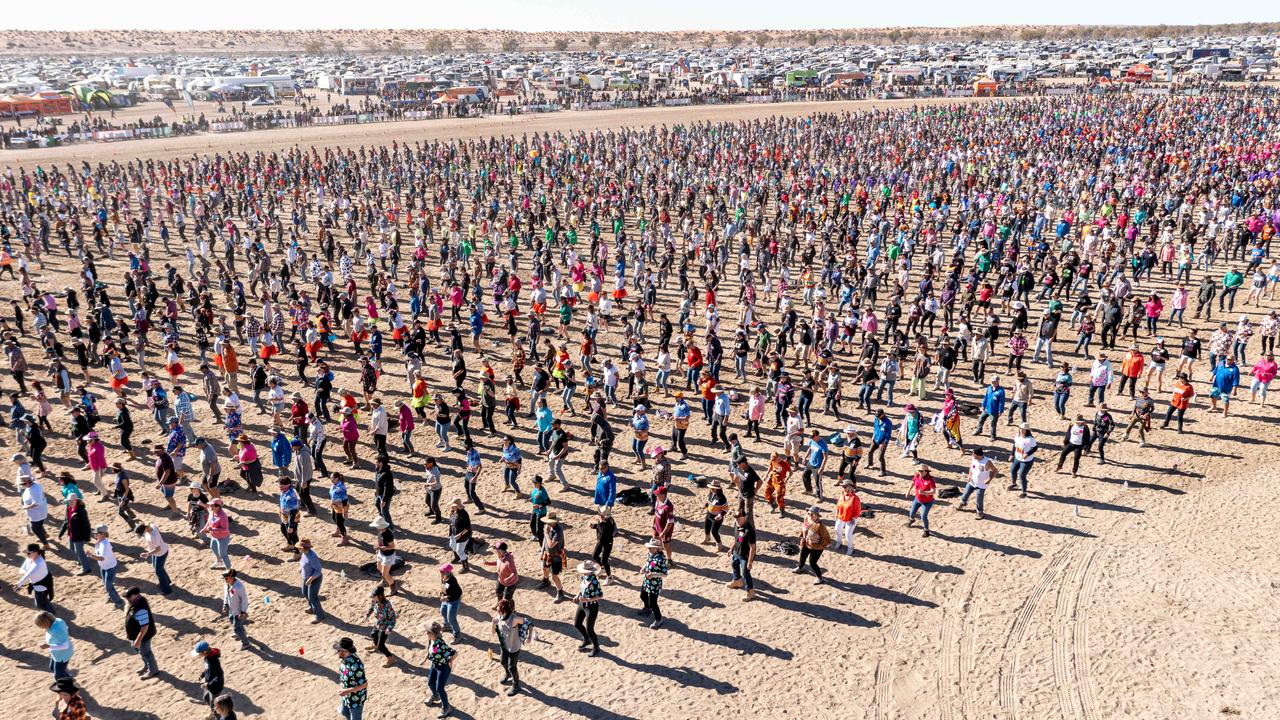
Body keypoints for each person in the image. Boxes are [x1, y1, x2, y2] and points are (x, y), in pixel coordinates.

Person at [492, 598, 526, 696]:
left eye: (499, 609)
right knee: (502, 661)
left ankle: (516, 685)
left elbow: (526, 622)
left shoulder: (514, 618)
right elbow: (493, 632)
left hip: (514, 646)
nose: (497, 611)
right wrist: (493, 623)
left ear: (504, 610)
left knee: (512, 667)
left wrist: (524, 636)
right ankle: (507, 674)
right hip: (504, 645)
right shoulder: (499, 617)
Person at [124, 586, 159, 679]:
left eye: (128, 596)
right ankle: (147, 665)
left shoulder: (141, 608)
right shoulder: (135, 602)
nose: (126, 598)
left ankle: (153, 670)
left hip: (144, 636)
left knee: (146, 652)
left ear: (135, 595)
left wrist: (138, 640)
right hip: (136, 635)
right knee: (140, 651)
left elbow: (144, 627)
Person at [424, 622, 457, 717]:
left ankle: (447, 707)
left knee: (440, 688)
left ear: (434, 634)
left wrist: (450, 661)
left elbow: (455, 653)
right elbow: (430, 650)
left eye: (428, 632)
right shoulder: (431, 640)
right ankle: (435, 696)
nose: (427, 633)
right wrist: (425, 659)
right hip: (435, 664)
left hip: (443, 668)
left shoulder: (440, 645)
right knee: (430, 683)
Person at [86, 524, 123, 607]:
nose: (95, 534)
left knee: (108, 587)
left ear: (102, 534)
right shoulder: (99, 542)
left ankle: (119, 602)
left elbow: (102, 558)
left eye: (97, 533)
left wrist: (91, 556)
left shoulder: (105, 545)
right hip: (104, 567)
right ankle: (111, 596)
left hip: (110, 568)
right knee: (107, 585)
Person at [573, 560, 604, 656]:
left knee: (590, 629)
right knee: (577, 624)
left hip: (591, 607)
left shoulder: (595, 582)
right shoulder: (584, 577)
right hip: (582, 604)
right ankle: (587, 639)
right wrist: (578, 595)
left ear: (590, 571)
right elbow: (582, 588)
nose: (582, 572)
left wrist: (587, 600)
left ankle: (596, 647)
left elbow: (600, 596)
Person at [333, 637, 369, 720]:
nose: (337, 652)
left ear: (345, 651)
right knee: (344, 711)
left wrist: (347, 690)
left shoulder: (356, 666)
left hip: (356, 698)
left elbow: (364, 685)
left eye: (338, 650)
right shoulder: (345, 658)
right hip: (346, 694)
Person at [959, 448, 1000, 519]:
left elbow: (995, 470)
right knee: (965, 493)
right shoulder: (974, 458)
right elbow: (971, 467)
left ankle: (980, 512)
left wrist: (989, 480)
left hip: (981, 484)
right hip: (972, 481)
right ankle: (963, 503)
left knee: (979, 499)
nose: (972, 455)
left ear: (977, 455)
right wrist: (969, 475)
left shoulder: (987, 462)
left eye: (973, 454)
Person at [638, 539, 670, 629]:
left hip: (655, 584)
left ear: (656, 548)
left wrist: (653, 574)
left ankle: (659, 620)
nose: (649, 548)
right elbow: (648, 562)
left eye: (651, 547)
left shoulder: (661, 559)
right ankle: (647, 608)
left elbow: (665, 574)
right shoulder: (651, 554)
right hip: (647, 581)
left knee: (653, 603)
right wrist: (643, 568)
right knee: (642, 596)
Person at [794, 505, 831, 583]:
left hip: (817, 548)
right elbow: (804, 528)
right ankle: (800, 567)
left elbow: (827, 539)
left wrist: (818, 541)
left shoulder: (820, 526)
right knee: (802, 556)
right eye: (809, 513)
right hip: (806, 543)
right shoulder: (807, 519)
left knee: (812, 563)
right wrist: (804, 537)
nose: (810, 515)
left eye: (812, 514)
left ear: (817, 515)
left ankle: (819, 578)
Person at [136, 522, 174, 595]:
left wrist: (147, 554)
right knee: (157, 567)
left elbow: (158, 549)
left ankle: (167, 590)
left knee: (158, 571)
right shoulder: (151, 527)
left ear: (145, 529)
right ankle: (167, 581)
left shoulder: (154, 536)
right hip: (156, 552)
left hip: (161, 554)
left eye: (142, 533)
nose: (142, 535)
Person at [365, 585, 398, 667]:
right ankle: (375, 645)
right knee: (373, 634)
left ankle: (390, 658)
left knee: (381, 646)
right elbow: (372, 608)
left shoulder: (387, 605)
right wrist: (367, 614)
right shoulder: (375, 601)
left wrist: (389, 628)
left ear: (380, 596)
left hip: (385, 627)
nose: (372, 598)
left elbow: (393, 618)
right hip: (377, 623)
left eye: (374, 596)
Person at [727, 510, 757, 600]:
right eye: (736, 518)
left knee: (745, 573)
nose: (737, 520)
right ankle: (737, 581)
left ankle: (750, 592)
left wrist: (750, 562)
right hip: (737, 551)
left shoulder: (749, 530)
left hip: (745, 556)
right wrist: (732, 548)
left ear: (744, 518)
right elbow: (738, 538)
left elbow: (752, 548)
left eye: (739, 519)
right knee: (734, 564)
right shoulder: (737, 525)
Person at [15, 543, 54, 611]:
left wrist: (18, 584)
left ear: (35, 552)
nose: (27, 555)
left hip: (41, 585)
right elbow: (26, 567)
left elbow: (28, 575)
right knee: (43, 599)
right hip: (39, 584)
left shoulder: (39, 564)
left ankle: (51, 614)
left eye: (29, 553)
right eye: (27, 553)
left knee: (39, 604)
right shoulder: (33, 557)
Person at [36, 611, 74, 680]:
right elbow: (66, 628)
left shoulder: (56, 630)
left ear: (45, 623)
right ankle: (69, 678)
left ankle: (70, 688)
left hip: (62, 655)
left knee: (58, 676)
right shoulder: (58, 620)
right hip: (57, 654)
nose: (41, 628)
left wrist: (48, 646)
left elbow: (65, 646)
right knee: (52, 667)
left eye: (40, 625)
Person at [192, 640, 225, 715]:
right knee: (206, 698)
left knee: (214, 704)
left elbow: (219, 675)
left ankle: (216, 715)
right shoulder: (207, 657)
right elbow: (207, 669)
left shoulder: (213, 661)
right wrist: (202, 675)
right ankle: (215, 710)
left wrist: (208, 684)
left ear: (204, 652)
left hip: (215, 686)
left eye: (199, 653)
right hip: (209, 684)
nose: (198, 655)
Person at [540, 512, 567, 599]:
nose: (547, 523)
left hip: (556, 556)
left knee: (554, 576)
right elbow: (545, 540)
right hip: (547, 554)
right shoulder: (548, 527)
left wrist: (546, 534)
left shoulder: (558, 531)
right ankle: (545, 581)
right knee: (545, 568)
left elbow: (551, 544)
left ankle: (560, 592)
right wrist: (542, 551)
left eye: (549, 522)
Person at [221, 569, 251, 650]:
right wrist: (225, 604)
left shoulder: (239, 587)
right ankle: (243, 632)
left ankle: (246, 643)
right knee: (231, 619)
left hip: (238, 611)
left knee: (236, 629)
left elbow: (244, 600)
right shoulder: (227, 584)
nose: (225, 579)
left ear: (232, 577)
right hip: (231, 609)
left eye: (226, 578)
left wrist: (243, 612)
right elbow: (226, 595)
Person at [906, 464, 936, 538]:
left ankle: (926, 530)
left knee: (923, 517)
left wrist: (925, 492)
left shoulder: (930, 479)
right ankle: (912, 520)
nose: (920, 472)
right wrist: (908, 491)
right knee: (911, 513)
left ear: (926, 471)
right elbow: (912, 482)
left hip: (927, 502)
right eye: (919, 470)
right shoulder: (917, 476)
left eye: (922, 471)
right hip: (918, 499)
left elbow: (933, 491)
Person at [298, 538, 325, 622]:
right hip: (306, 577)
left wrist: (311, 579)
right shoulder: (304, 553)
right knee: (304, 592)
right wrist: (301, 568)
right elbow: (303, 562)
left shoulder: (312, 557)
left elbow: (318, 570)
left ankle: (319, 615)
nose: (298, 549)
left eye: (299, 547)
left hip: (315, 578)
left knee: (313, 597)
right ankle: (312, 607)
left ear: (303, 548)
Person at [833, 481, 862, 554]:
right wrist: (837, 512)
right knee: (837, 530)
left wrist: (854, 518)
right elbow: (838, 505)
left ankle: (850, 547)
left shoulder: (855, 498)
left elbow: (858, 511)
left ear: (850, 487)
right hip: (841, 516)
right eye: (843, 486)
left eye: (844, 486)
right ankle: (839, 542)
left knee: (848, 534)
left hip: (851, 519)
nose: (843, 488)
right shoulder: (842, 495)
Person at [1009, 424, 1038, 497]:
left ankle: (1024, 492)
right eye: (1020, 428)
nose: (1021, 430)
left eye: (1023, 429)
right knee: (1012, 470)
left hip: (1026, 461)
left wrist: (1027, 454)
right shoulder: (1017, 436)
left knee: (1022, 475)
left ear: (1027, 430)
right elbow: (1014, 445)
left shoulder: (1030, 439)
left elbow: (1035, 448)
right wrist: (1012, 454)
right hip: (1017, 458)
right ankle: (1014, 484)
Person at [438, 563, 463, 642]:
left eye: (442, 571)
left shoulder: (452, 580)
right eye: (440, 571)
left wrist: (447, 597)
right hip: (447, 600)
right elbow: (443, 588)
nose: (440, 573)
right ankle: (447, 625)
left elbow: (458, 593)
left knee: (452, 619)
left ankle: (457, 636)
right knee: (443, 611)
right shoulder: (444, 578)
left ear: (448, 572)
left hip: (454, 601)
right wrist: (442, 594)